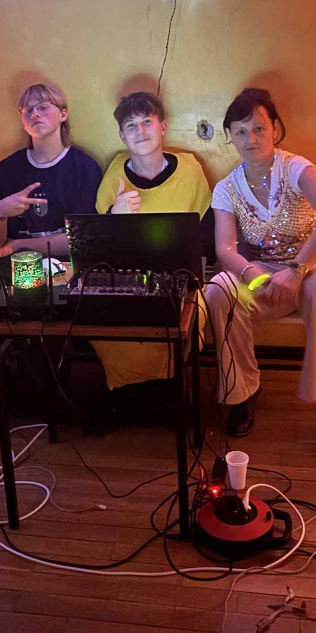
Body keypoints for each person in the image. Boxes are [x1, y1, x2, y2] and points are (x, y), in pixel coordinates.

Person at [207, 87, 316, 453]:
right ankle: (243, 391)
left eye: (259, 128)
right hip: (266, 271)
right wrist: (252, 275)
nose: (251, 138)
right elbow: (224, 249)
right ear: (230, 136)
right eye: (241, 131)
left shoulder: (295, 168)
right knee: (218, 291)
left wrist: (297, 269)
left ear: (275, 129)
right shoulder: (226, 188)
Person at [0, 83, 101, 439]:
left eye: (43, 106)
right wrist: (0, 213)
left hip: (65, 265)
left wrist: (20, 245)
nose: (35, 113)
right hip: (11, 264)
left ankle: (48, 398)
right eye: (27, 109)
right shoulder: (8, 170)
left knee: (48, 300)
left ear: (62, 115)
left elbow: (81, 240)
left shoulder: (83, 167)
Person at [91, 92, 211, 419]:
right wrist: (114, 216)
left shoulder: (189, 169)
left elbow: (205, 233)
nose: (140, 131)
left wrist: (189, 274)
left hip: (179, 277)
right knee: (105, 317)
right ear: (121, 135)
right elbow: (95, 244)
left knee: (184, 315)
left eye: (147, 122)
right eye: (131, 125)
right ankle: (127, 396)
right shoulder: (115, 173)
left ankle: (168, 389)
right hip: (126, 277)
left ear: (163, 128)